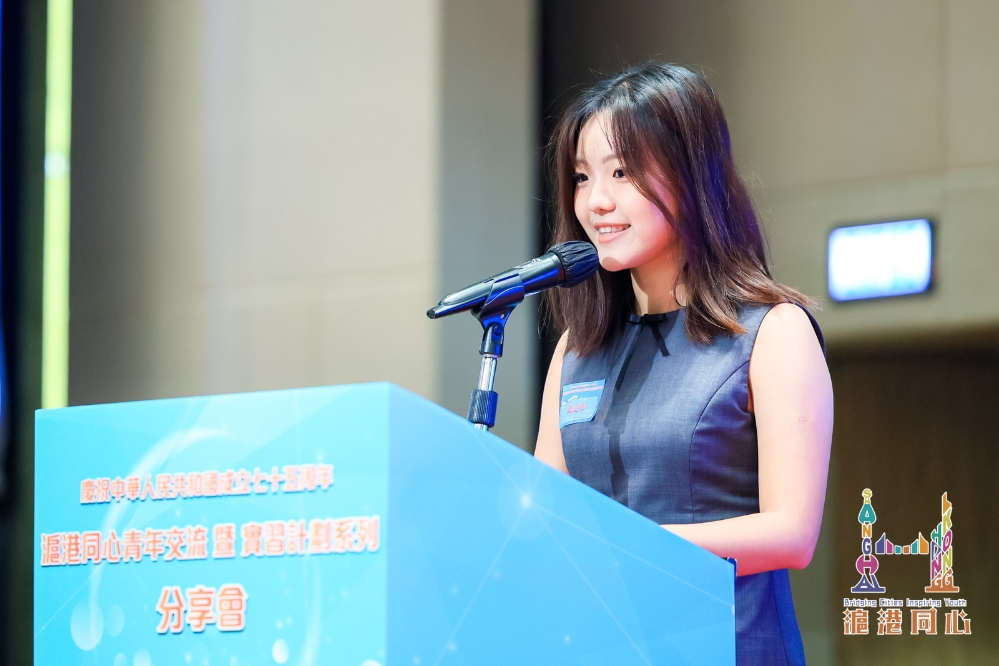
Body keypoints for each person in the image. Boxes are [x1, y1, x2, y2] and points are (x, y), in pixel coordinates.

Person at [534, 63, 833, 665]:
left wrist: (633, 549)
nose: (596, 201)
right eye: (583, 176)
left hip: (728, 645)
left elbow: (792, 533)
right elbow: (547, 519)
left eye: (622, 172)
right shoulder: (577, 349)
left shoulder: (772, 332)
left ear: (689, 175)